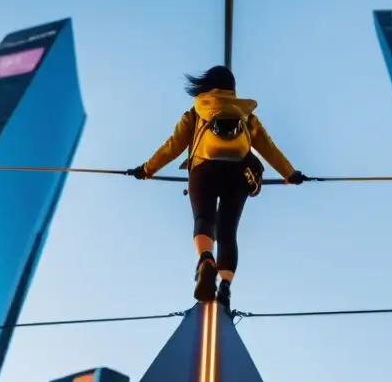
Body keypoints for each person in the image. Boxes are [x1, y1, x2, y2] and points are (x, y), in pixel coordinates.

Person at [127, 66, 306, 308]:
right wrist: (290, 173)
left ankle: (205, 260)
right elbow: (268, 148)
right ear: (232, 89)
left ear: (206, 86)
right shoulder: (246, 115)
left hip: (204, 170)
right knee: (227, 231)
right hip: (238, 173)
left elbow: (173, 145)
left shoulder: (196, 112)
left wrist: (147, 169)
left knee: (204, 218)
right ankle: (225, 287)